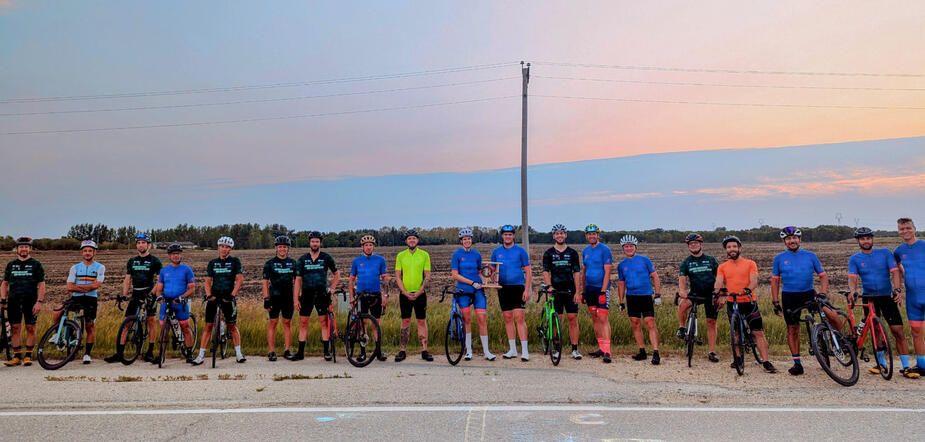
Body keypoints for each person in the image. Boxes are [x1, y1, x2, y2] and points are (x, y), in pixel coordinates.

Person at [849, 227, 918, 378]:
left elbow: (895, 272)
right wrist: (853, 291)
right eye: (862, 239)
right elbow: (853, 278)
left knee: (898, 330)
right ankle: (881, 364)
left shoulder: (885, 253)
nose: (866, 241)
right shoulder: (854, 259)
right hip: (869, 298)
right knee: (876, 331)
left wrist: (897, 290)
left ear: (872, 239)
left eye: (868, 238)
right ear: (858, 241)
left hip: (887, 295)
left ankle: (906, 366)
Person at [770, 226, 838, 376]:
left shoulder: (810, 255)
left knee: (832, 315)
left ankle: (840, 343)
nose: (792, 241)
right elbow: (775, 282)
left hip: (809, 293)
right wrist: (775, 302)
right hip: (789, 296)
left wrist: (823, 294)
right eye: (788, 239)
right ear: (784, 242)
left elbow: (823, 276)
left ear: (799, 239)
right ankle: (797, 364)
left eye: (794, 238)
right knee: (792, 330)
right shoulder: (779, 259)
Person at [714, 235, 776, 373]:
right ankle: (738, 358)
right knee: (735, 333)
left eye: (734, 246)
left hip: (748, 301)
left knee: (758, 332)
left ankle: (766, 361)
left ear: (740, 248)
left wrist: (748, 289)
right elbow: (719, 281)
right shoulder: (722, 266)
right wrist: (717, 293)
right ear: (726, 250)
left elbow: (754, 280)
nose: (732, 249)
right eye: (729, 247)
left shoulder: (750, 263)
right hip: (732, 302)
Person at [105, 233, 162, 363]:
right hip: (136, 292)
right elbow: (127, 280)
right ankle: (120, 353)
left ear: (149, 245)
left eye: (143, 242)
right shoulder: (132, 261)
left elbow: (159, 281)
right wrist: (124, 295)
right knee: (127, 323)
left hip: (150, 292)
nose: (141, 245)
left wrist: (151, 294)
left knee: (151, 320)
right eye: (138, 243)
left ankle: (150, 352)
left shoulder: (155, 261)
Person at [192, 236, 246, 365]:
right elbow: (207, 281)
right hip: (215, 295)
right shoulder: (212, 263)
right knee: (208, 326)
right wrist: (209, 294)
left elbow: (239, 279)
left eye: (227, 247)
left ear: (230, 249)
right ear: (218, 247)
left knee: (232, 326)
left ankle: (239, 354)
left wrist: (232, 295)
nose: (224, 249)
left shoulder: (235, 261)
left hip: (228, 296)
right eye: (222, 246)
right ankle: (200, 355)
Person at [54, 240, 106, 364]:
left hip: (90, 298)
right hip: (76, 297)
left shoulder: (100, 267)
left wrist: (79, 287)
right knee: (57, 311)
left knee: (90, 325)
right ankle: (58, 335)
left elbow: (97, 285)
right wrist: (88, 286)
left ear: (94, 252)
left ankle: (87, 354)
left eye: (90, 251)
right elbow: (69, 287)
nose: (87, 253)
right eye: (85, 251)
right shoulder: (75, 267)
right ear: (82, 253)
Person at [293, 231, 340, 361]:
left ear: (320, 243)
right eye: (313, 241)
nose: (315, 243)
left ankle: (326, 351)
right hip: (306, 294)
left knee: (324, 322)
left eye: (317, 241)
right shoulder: (302, 259)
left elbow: (337, 274)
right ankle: (300, 352)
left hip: (321, 294)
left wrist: (332, 288)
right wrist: (295, 299)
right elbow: (297, 280)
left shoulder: (326, 257)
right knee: (303, 323)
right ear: (310, 243)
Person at [616, 235, 662, 365]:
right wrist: (621, 301)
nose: (629, 248)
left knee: (649, 323)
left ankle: (656, 352)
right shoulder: (621, 265)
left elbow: (655, 277)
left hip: (645, 295)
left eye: (631, 246)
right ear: (623, 248)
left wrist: (657, 295)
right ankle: (642, 351)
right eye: (626, 246)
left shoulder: (645, 260)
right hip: (631, 297)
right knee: (635, 323)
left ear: (635, 247)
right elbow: (621, 284)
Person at [450, 228, 495, 361]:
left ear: (471, 240)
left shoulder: (477, 254)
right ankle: (468, 351)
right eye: (464, 239)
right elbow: (455, 275)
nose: (467, 241)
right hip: (464, 291)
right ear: (461, 241)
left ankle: (486, 351)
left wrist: (485, 281)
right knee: (467, 320)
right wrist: (471, 283)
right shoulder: (456, 255)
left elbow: (480, 272)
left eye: (469, 238)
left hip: (477, 291)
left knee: (482, 319)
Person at [676, 233, 720, 364]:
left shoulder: (711, 260)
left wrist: (719, 294)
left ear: (701, 245)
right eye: (691, 244)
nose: (693, 245)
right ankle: (682, 327)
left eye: (696, 243)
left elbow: (719, 278)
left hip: (710, 294)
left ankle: (711, 351)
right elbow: (682, 279)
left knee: (711, 322)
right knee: (682, 305)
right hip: (695, 293)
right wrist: (682, 291)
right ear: (688, 246)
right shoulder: (686, 262)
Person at [1, 237, 46, 367]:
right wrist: (3, 299)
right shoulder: (11, 264)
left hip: (30, 300)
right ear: (17, 249)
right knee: (15, 328)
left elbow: (42, 284)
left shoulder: (36, 264)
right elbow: (4, 284)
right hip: (14, 300)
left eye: (26, 246)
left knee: (30, 327)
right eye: (21, 246)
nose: (24, 249)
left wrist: (39, 301)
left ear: (30, 249)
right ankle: (17, 357)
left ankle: (28, 356)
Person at [541, 224, 583, 360]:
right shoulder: (548, 253)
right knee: (556, 320)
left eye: (562, 233)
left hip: (570, 290)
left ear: (566, 235)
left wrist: (577, 292)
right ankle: (556, 348)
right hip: (556, 291)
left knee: (573, 319)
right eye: (557, 234)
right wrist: (549, 286)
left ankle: (575, 349)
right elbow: (546, 271)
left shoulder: (572, 253)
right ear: (554, 236)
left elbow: (577, 272)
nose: (560, 236)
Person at [490, 224, 531, 361]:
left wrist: (526, 289)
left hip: (518, 287)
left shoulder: (521, 251)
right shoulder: (496, 251)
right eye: (505, 234)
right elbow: (490, 271)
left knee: (519, 317)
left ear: (513, 236)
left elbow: (528, 271)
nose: (507, 237)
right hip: (503, 288)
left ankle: (525, 350)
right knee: (508, 318)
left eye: (510, 234)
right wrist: (492, 281)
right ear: (502, 236)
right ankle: (512, 349)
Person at [349, 234, 390, 362]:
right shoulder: (356, 261)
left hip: (375, 295)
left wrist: (385, 295)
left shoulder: (380, 260)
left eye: (370, 245)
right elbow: (351, 281)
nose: (368, 247)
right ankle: (363, 352)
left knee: (376, 324)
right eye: (366, 245)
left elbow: (385, 280)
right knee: (362, 324)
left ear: (373, 246)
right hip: (361, 295)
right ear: (362, 247)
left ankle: (378, 352)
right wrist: (351, 297)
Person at [394, 229, 433, 362]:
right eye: (409, 238)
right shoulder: (400, 255)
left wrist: (420, 291)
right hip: (405, 294)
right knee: (405, 321)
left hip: (420, 294)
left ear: (417, 240)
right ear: (406, 241)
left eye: (414, 238)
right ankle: (402, 350)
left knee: (421, 321)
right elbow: (398, 276)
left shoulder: (424, 255)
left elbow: (427, 275)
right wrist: (404, 292)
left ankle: (424, 350)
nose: (412, 240)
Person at [154, 243, 196, 364]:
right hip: (166, 303)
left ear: (181, 255)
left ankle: (189, 353)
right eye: (173, 254)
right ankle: (161, 354)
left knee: (185, 328)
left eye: (177, 254)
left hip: (180, 303)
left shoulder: (187, 270)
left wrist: (181, 297)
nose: (176, 256)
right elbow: (159, 289)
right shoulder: (164, 271)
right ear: (169, 256)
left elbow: (192, 289)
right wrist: (159, 297)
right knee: (164, 329)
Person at [894, 217, 925, 375]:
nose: (905, 231)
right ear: (899, 231)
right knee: (916, 332)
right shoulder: (899, 251)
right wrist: (897, 289)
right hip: (913, 298)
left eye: (908, 228)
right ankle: (922, 365)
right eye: (902, 229)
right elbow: (896, 270)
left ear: (914, 228)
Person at [581, 224, 613, 363]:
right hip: (589, 289)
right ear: (586, 236)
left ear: (598, 235)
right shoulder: (585, 251)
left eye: (594, 234)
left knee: (603, 318)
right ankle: (601, 347)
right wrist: (583, 291)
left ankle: (607, 351)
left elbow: (607, 272)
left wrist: (603, 290)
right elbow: (584, 272)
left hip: (601, 288)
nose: (591, 236)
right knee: (594, 318)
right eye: (589, 234)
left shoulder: (605, 250)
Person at [263, 235, 297, 361]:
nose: (282, 249)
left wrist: (298, 297)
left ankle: (287, 350)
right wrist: (266, 298)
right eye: (280, 247)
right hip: (274, 297)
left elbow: (298, 281)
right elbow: (265, 282)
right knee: (273, 322)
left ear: (288, 249)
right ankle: (271, 351)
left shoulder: (293, 263)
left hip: (288, 297)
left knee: (287, 323)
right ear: (276, 248)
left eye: (285, 247)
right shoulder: (269, 264)